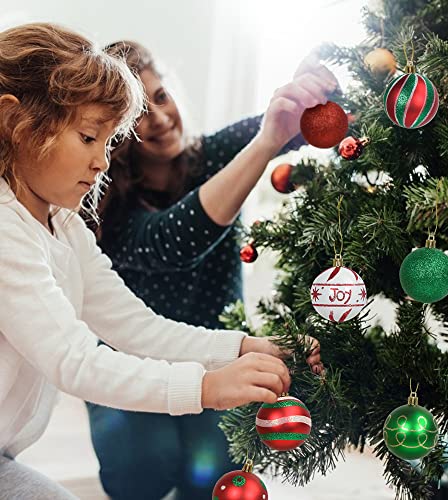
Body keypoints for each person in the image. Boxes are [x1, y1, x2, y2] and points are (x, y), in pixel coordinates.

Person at [0, 23, 323, 500]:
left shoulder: (63, 225)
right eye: (89, 137)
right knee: (141, 462)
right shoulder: (8, 231)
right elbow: (75, 360)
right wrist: (207, 387)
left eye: (109, 143)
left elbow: (135, 326)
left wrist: (245, 346)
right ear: (15, 126)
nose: (102, 162)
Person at [85, 41, 336, 499]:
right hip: (133, 361)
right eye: (138, 112)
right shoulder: (105, 203)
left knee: (215, 477)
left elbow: (311, 123)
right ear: (113, 132)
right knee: (143, 468)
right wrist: (265, 141)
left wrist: (311, 93)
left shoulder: (214, 151)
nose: (159, 118)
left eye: (160, 97)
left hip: (220, 353)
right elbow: (173, 242)